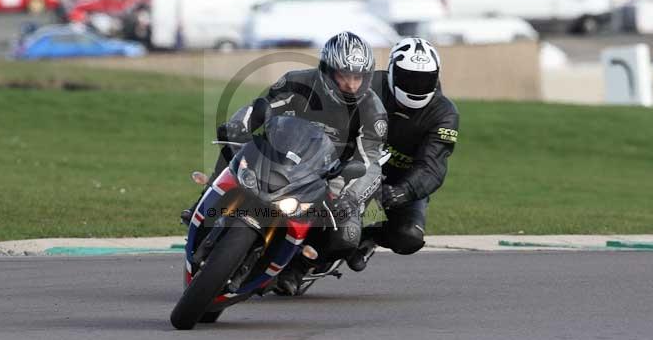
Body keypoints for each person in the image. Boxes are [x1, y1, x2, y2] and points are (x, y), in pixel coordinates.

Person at [184, 31, 388, 294]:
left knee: (346, 232)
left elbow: (368, 160)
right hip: (279, 156)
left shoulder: (373, 110)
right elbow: (259, 108)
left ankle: (298, 268)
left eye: (357, 77)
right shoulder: (296, 82)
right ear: (327, 71)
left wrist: (349, 195)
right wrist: (239, 124)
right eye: (343, 76)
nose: (351, 84)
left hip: (329, 176)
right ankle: (207, 196)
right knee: (235, 143)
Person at [346, 37, 459, 272]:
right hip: (353, 163)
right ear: (392, 72)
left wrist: (403, 191)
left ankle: (370, 237)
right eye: (408, 78)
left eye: (424, 80)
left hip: (400, 181)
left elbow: (432, 166)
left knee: (409, 237)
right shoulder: (365, 85)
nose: (416, 86)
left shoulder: (445, 114)